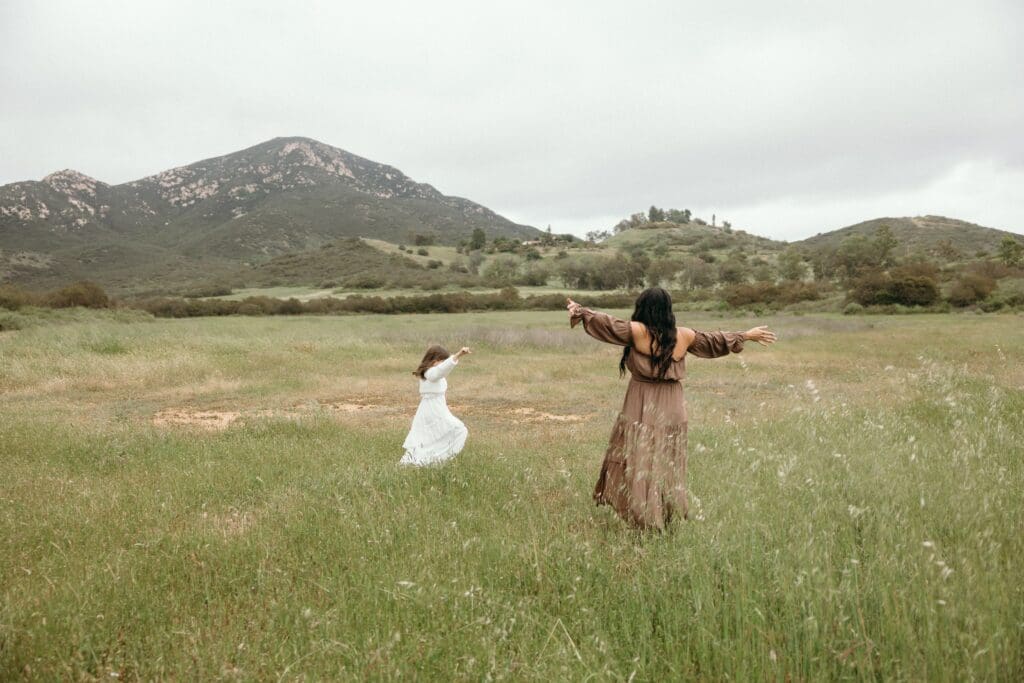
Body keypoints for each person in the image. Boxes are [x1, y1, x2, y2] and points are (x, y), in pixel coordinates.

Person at [567, 288, 776, 530]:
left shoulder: (635, 331)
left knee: (638, 456)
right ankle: (665, 515)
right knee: (667, 460)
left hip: (641, 398)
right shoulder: (684, 335)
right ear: (668, 310)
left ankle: (643, 516)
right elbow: (714, 340)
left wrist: (580, 310)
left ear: (642, 307)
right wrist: (745, 335)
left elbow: (606, 323)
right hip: (673, 403)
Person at [400, 345, 472, 466]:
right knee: (458, 430)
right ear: (434, 360)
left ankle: (432, 462)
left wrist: (453, 359)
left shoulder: (431, 373)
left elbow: (443, 370)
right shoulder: (430, 373)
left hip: (434, 409)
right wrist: (457, 355)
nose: (443, 364)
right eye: (442, 361)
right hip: (433, 410)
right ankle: (433, 461)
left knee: (430, 438)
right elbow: (440, 371)